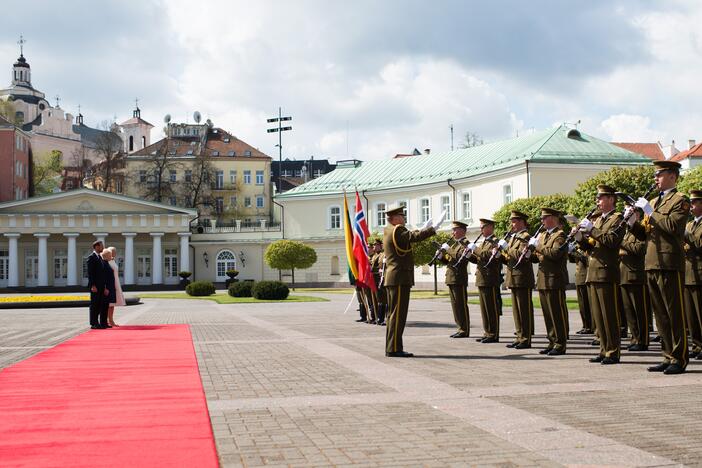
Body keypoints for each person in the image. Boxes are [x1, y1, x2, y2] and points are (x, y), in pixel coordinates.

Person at [628, 160, 689, 374]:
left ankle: (679, 358)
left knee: (674, 313)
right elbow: (644, 234)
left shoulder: (680, 200)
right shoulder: (654, 200)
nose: (656, 178)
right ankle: (667, 355)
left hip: (670, 263)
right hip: (652, 262)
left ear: (672, 176)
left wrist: (650, 211)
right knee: (661, 314)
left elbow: (673, 227)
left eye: (659, 174)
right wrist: (632, 222)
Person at [576, 185, 624, 364]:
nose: (597, 201)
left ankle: (613, 351)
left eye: (601, 197)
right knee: (598, 316)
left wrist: (592, 230)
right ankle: (604, 349)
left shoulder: (617, 219)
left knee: (609, 315)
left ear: (611, 199)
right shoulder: (600, 220)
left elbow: (611, 241)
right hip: (594, 271)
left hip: (606, 272)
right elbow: (592, 247)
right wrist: (580, 239)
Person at [383, 205, 440, 357]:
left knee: (393, 314)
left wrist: (422, 229)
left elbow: (407, 238)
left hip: (394, 277)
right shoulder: (397, 230)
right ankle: (394, 348)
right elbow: (412, 237)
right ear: (395, 218)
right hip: (400, 278)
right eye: (402, 216)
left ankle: (392, 346)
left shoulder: (389, 231)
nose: (404, 219)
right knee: (398, 315)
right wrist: (432, 229)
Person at [530, 207, 569, 356]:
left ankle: (560, 344)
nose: (542, 221)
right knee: (547, 314)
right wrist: (531, 252)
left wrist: (538, 247)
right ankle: (552, 341)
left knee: (556, 313)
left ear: (553, 218)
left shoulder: (560, 236)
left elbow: (555, 253)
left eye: (544, 218)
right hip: (543, 279)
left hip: (555, 280)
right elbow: (538, 256)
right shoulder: (544, 235)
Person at [501, 211, 535, 349]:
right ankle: (519, 336)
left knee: (523, 310)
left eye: (514, 221)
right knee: (516, 310)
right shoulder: (514, 237)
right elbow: (510, 258)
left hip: (522, 277)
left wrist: (507, 248)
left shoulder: (525, 237)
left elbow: (521, 254)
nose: (512, 224)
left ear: (522, 222)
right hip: (514, 277)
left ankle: (525, 338)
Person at [619, 208, 649, 352]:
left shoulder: (642, 230)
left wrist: (622, 244)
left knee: (639, 311)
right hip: (624, 274)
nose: (627, 215)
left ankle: (643, 340)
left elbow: (639, 249)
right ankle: (635, 338)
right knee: (629, 311)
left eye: (630, 213)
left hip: (636, 275)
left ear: (637, 214)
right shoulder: (627, 231)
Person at [467, 219, 503, 343]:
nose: (481, 229)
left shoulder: (495, 242)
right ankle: (487, 332)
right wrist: (470, 255)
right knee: (484, 308)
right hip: (482, 278)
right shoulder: (484, 242)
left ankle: (493, 334)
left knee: (491, 307)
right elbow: (479, 259)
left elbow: (488, 256)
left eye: (483, 227)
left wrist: (475, 249)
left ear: (490, 227)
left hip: (490, 278)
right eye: (481, 227)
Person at [436, 221, 471, 338]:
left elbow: (460, 257)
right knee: (455, 305)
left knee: (461, 304)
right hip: (451, 277)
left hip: (459, 277)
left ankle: (464, 329)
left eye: (455, 230)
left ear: (462, 230)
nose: (453, 232)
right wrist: (441, 256)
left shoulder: (466, 244)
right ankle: (460, 327)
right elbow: (450, 260)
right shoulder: (455, 244)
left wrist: (448, 250)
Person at [683, 190, 702, 360]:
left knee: (700, 313)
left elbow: (699, 244)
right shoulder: (689, 225)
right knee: (691, 316)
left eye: (694, 203)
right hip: (688, 273)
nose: (691, 207)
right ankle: (696, 345)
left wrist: (686, 235)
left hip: (699, 275)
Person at [568, 244, 593, 335]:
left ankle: (590, 326)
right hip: (579, 277)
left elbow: (586, 259)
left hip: (585, 276)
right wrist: (570, 252)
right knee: (582, 305)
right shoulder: (578, 245)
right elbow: (572, 260)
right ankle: (585, 325)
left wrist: (574, 251)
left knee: (586, 304)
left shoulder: (587, 244)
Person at [87, 240, 109, 329]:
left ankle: (99, 323)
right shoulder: (91, 257)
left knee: (100, 304)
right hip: (95, 286)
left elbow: (102, 274)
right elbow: (90, 273)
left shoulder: (100, 258)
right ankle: (94, 323)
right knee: (94, 305)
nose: (103, 247)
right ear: (96, 247)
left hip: (101, 286)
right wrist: (92, 285)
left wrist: (104, 287)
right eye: (101, 246)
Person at [106, 246, 126, 327]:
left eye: (115, 252)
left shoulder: (113, 261)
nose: (114, 253)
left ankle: (111, 320)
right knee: (109, 304)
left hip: (115, 283)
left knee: (112, 304)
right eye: (113, 252)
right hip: (110, 284)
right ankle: (107, 320)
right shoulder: (106, 262)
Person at [369, 240, 387, 326]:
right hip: (374, 280)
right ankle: (377, 317)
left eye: (376, 245)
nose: (374, 247)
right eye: (374, 245)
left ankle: (382, 318)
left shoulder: (383, 255)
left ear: (381, 246)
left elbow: (382, 267)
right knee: (377, 300)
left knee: (382, 300)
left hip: (380, 279)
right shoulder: (374, 256)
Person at [100, 250, 116, 328]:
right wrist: (105, 287)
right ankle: (104, 322)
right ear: (106, 256)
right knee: (105, 306)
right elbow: (103, 277)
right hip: (107, 288)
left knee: (107, 305)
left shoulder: (106, 263)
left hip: (110, 287)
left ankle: (105, 322)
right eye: (110, 255)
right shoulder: (103, 264)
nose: (111, 256)